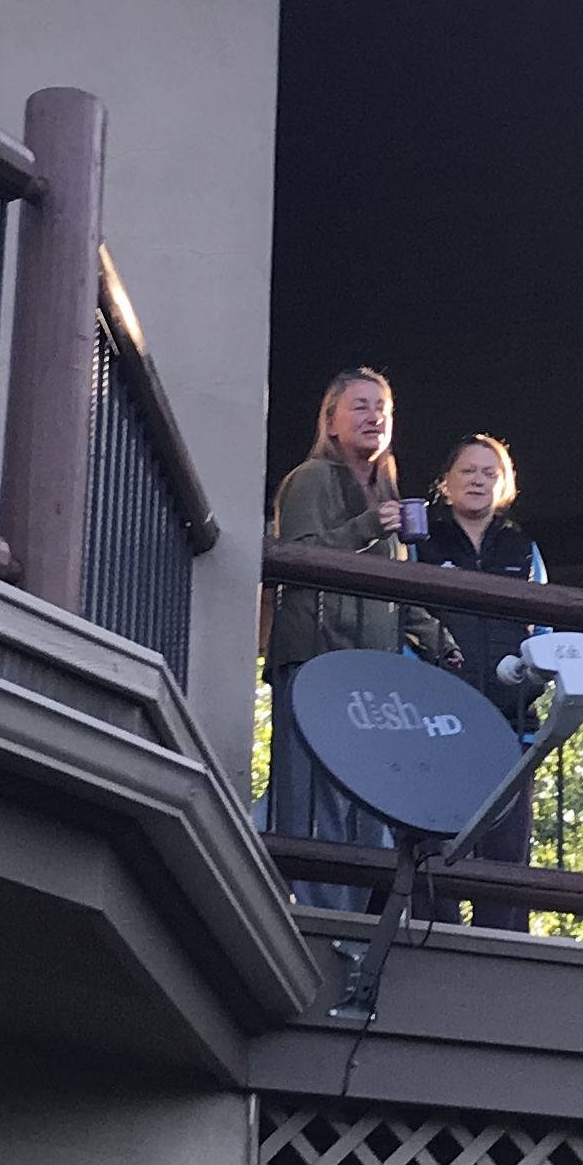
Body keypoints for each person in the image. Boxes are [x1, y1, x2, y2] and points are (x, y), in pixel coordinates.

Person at [262, 367, 447, 914]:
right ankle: (321, 916)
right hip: (316, 659)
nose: (375, 417)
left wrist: (437, 637)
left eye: (382, 408)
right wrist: (368, 527)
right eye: (360, 406)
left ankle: (355, 919)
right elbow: (299, 557)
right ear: (331, 422)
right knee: (315, 798)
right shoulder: (311, 478)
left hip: (371, 671)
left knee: (368, 796)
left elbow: (397, 588)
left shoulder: (386, 494)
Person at [410, 433, 551, 931]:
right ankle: (435, 941)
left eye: (490, 473)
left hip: (511, 722)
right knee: (434, 841)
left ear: (504, 484)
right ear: (446, 483)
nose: (478, 480)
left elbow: (545, 626)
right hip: (436, 720)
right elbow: (405, 618)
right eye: (467, 471)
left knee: (507, 853)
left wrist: (535, 680)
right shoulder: (421, 544)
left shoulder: (523, 547)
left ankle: (504, 949)